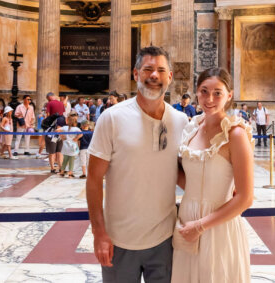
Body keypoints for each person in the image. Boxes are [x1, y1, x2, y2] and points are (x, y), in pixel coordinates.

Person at [86, 46, 188, 282]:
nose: (154, 76)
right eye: (148, 69)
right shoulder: (112, 118)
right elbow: (93, 180)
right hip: (118, 240)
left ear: (170, 77)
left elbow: (183, 173)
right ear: (136, 74)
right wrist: (99, 233)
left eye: (161, 70)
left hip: (165, 240)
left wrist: (219, 190)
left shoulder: (181, 121)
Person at [171, 67, 254, 282]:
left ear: (229, 95)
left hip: (218, 225)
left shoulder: (235, 134)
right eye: (204, 91)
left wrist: (200, 226)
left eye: (217, 92)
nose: (209, 99)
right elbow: (190, 180)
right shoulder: (192, 129)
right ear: (196, 92)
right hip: (186, 221)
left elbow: (245, 198)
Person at [45, 92, 66, 173]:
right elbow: (63, 115)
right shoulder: (61, 103)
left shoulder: (49, 103)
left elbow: (48, 115)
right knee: (59, 150)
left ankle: (52, 168)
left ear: (49, 97)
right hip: (61, 130)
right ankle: (61, 167)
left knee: (52, 151)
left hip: (52, 131)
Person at [58, 112, 82, 178]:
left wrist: (62, 136)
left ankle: (62, 172)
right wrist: (76, 138)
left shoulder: (65, 128)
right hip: (72, 146)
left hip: (65, 146)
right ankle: (70, 173)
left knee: (65, 159)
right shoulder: (77, 129)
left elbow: (57, 130)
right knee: (71, 160)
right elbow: (81, 134)